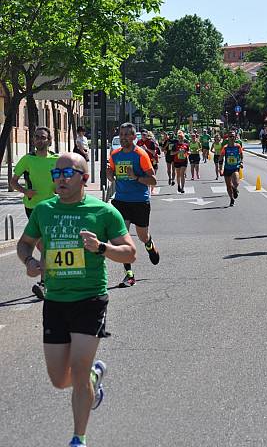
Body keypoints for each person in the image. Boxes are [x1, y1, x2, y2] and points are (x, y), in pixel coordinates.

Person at [16, 152, 136, 447]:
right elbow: (24, 243)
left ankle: (78, 438)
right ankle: (93, 379)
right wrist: (29, 262)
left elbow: (130, 252)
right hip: (55, 301)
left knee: (79, 368)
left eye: (67, 173)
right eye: (56, 174)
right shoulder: (43, 210)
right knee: (60, 379)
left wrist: (102, 247)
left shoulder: (104, 212)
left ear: (84, 177)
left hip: (90, 299)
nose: (60, 179)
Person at [107, 122, 159, 288]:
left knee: (142, 236)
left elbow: (153, 180)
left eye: (127, 135)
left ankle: (149, 245)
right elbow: (112, 174)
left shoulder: (140, 154)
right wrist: (109, 173)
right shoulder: (115, 154)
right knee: (123, 238)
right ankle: (129, 275)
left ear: (134, 137)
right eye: (121, 134)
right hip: (121, 201)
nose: (123, 138)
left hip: (139, 201)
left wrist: (136, 176)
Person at [11, 126, 59, 300]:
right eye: (37, 137)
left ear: (49, 140)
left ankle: (45, 282)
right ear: (33, 140)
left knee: (45, 244)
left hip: (52, 206)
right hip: (33, 207)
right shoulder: (27, 159)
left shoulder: (56, 159)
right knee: (43, 244)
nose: (40, 140)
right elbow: (13, 182)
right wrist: (26, 192)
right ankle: (46, 281)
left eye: (43, 137)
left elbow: (63, 180)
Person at [219, 130, 243, 207]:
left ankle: (235, 189)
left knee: (236, 183)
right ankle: (231, 199)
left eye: (233, 136)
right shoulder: (225, 148)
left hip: (235, 167)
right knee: (228, 186)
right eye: (230, 136)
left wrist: (241, 162)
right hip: (227, 168)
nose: (232, 138)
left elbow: (241, 155)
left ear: (235, 137)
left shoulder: (238, 146)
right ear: (227, 138)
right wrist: (220, 169)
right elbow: (221, 158)